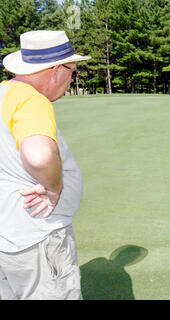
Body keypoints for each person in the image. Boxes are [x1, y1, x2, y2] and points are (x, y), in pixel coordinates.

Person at [0, 30, 90, 299]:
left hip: (8, 235)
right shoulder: (30, 100)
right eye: (73, 72)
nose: (72, 80)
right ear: (55, 70)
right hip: (37, 236)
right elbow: (39, 155)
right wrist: (54, 187)